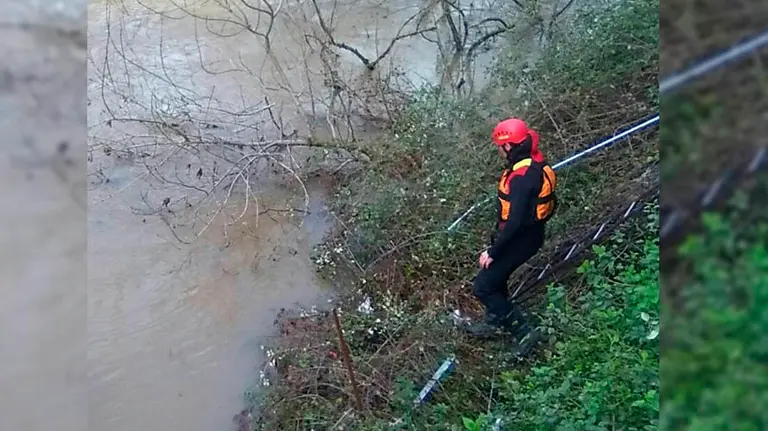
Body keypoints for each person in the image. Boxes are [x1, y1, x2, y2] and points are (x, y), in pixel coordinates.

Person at [463, 117, 557, 357]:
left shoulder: (523, 178)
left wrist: (493, 252)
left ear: (508, 146)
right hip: (527, 234)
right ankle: (495, 319)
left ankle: (523, 332)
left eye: (500, 147)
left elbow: (514, 222)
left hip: (522, 239)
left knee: (483, 286)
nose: (499, 152)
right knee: (496, 277)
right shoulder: (531, 163)